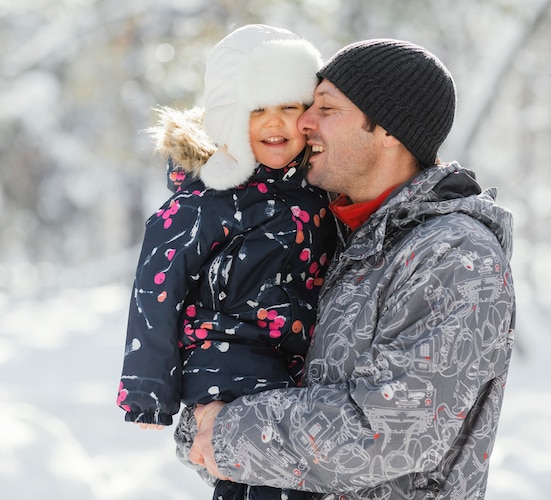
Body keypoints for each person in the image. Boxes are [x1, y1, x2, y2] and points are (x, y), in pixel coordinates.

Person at [186, 38, 517, 499]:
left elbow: (388, 432)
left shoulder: (455, 257)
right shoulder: (326, 239)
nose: (304, 121)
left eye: (326, 107)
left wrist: (223, 433)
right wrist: (199, 420)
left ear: (387, 130)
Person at [117, 24, 336, 500]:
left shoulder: (316, 191)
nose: (275, 124)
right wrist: (147, 388)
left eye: (289, 107)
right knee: (263, 474)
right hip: (224, 355)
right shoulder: (210, 199)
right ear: (231, 117)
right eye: (257, 110)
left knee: (285, 473)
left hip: (285, 360)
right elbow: (158, 282)